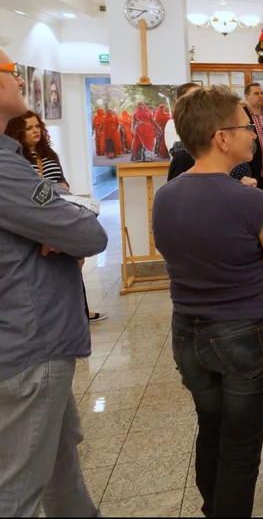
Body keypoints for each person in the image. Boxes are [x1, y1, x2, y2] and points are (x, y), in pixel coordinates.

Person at [152, 85, 263, 518]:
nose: (253, 133)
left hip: (188, 334)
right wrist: (261, 255)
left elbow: (179, 251)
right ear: (221, 137)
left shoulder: (165, 195)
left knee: (211, 429)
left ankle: (211, 508)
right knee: (241, 447)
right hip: (247, 333)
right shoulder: (251, 199)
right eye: (245, 125)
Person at [0, 47, 108, 517]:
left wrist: (60, 225)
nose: (19, 80)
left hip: (33, 336)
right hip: (28, 340)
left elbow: (67, 222)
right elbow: (88, 233)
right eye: (11, 72)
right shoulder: (4, 168)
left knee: (60, 458)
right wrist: (63, 226)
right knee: (18, 485)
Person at [5, 110, 108, 324]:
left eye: (37, 126)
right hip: (39, 218)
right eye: (29, 128)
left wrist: (61, 187)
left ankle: (82, 310)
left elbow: (61, 179)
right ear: (18, 132)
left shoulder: (49, 154)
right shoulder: (15, 159)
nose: (35, 131)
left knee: (74, 262)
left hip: (60, 206)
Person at [243, 83, 263, 198]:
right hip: (254, 169)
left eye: (262, 93)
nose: (261, 96)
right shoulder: (241, 116)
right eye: (256, 93)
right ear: (247, 96)